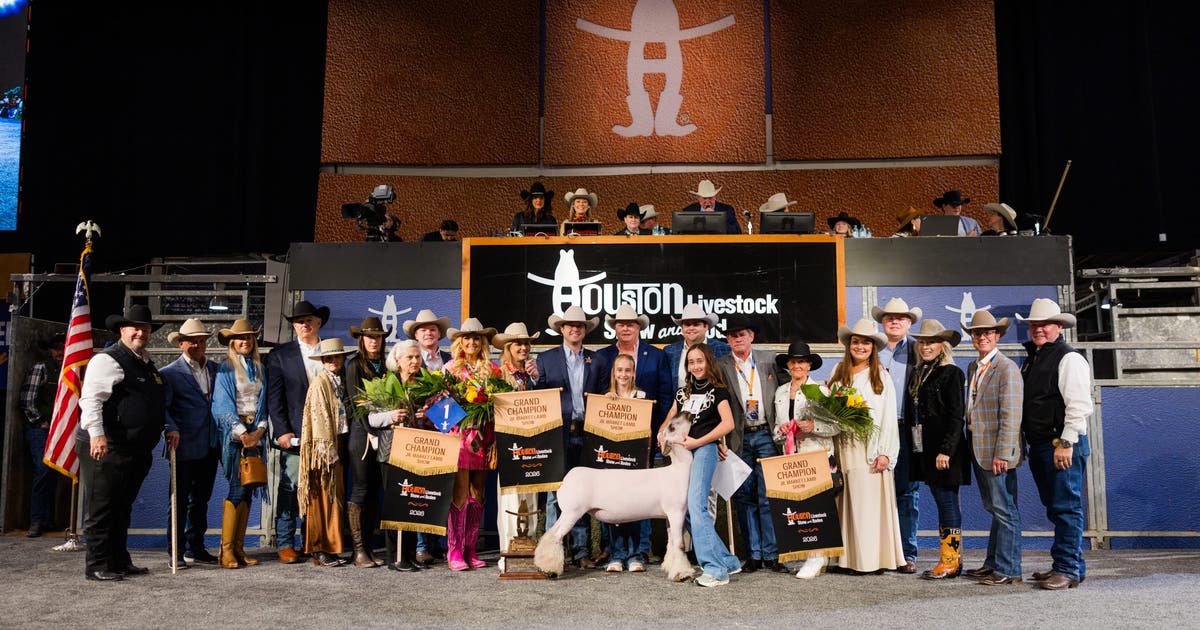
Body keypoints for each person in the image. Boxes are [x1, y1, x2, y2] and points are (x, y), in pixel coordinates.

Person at [76, 305, 175, 582]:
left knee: (122, 506)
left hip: (135, 449)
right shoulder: (108, 360)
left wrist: (167, 426)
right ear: (122, 330)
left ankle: (118, 560)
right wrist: (97, 434)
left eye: (145, 328)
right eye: (135, 327)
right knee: (102, 507)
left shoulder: (145, 362)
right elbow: (91, 400)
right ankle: (96, 565)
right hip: (108, 446)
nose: (141, 332)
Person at [1016, 298, 1093, 590]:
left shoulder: (1068, 358)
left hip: (1061, 443)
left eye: (1045, 324)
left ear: (1058, 327)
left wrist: (1066, 442)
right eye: (1034, 325)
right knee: (1057, 506)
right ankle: (1071, 565)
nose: (1038, 329)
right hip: (1044, 444)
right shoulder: (1035, 358)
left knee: (1065, 507)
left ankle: (1067, 567)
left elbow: (1079, 406)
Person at [595, 304, 672, 567]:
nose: (626, 327)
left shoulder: (656, 355)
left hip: (644, 442)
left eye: (631, 323)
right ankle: (615, 552)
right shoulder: (603, 357)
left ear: (639, 327)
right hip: (612, 447)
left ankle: (640, 551)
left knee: (643, 497)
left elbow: (664, 396)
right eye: (620, 323)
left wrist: (660, 431)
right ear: (614, 327)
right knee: (613, 497)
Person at [535, 305, 610, 569]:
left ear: (585, 330)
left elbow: (601, 397)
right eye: (570, 325)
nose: (574, 329)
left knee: (585, 494)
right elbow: (538, 398)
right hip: (558, 434)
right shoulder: (544, 360)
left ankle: (580, 552)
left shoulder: (597, 360)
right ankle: (552, 553)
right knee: (556, 494)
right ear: (562, 329)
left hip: (587, 433)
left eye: (579, 326)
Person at [660, 343, 741, 587]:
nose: (695, 366)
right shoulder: (682, 393)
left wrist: (702, 442)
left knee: (696, 506)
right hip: (682, 455)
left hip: (704, 449)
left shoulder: (719, 391)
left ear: (709, 362)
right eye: (691, 362)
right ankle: (728, 561)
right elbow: (671, 418)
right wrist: (662, 432)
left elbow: (728, 424)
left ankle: (715, 570)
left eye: (700, 361)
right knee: (686, 508)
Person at [827, 319, 904, 573]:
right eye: (856, 342)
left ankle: (869, 560)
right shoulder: (838, 372)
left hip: (867, 446)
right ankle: (846, 558)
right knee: (844, 502)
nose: (860, 347)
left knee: (865, 504)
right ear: (849, 345)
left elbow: (888, 417)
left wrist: (885, 452)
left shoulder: (880, 376)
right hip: (843, 444)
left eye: (866, 343)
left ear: (873, 347)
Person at [960, 310, 1025, 586]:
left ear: (997, 336)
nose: (982, 336)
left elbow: (1011, 414)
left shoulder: (1006, 367)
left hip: (996, 451)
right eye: (977, 333)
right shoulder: (974, 367)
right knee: (996, 508)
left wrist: (1003, 452)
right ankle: (994, 563)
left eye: (988, 332)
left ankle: (1010, 569)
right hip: (979, 446)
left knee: (1005, 509)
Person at [716, 317, 786, 574]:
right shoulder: (721, 365)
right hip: (739, 438)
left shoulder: (770, 360)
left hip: (767, 434)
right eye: (732, 335)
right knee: (744, 497)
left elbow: (789, 389)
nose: (737, 338)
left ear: (751, 337)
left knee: (768, 496)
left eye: (742, 334)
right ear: (727, 340)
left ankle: (772, 553)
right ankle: (754, 555)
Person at [266, 299, 330, 564]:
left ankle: (312, 541)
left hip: (325, 434)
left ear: (318, 323)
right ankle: (284, 542)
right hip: (294, 432)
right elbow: (274, 398)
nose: (304, 324)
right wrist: (281, 430)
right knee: (291, 487)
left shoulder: (330, 352)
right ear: (294, 326)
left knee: (321, 489)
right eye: (299, 321)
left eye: (309, 320)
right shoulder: (280, 355)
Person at [906, 319, 968, 580]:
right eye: (922, 342)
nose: (925, 346)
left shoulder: (952, 373)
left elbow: (956, 416)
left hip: (945, 451)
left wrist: (946, 450)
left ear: (943, 345)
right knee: (943, 501)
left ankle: (950, 560)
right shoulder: (921, 372)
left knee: (947, 502)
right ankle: (952, 559)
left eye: (931, 342)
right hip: (927, 449)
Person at [771, 341, 839, 579]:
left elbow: (836, 426)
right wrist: (780, 432)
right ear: (787, 365)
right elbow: (775, 428)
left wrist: (814, 426)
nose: (797, 365)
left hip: (815, 453)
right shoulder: (780, 392)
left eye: (801, 361)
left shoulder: (820, 390)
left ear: (809, 365)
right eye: (793, 361)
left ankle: (818, 555)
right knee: (799, 507)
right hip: (790, 456)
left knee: (816, 506)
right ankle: (811, 553)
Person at [160, 319, 221, 569]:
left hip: (210, 445)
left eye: (201, 340)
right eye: (192, 341)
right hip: (183, 446)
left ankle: (196, 546)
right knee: (179, 500)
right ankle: (175, 551)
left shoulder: (217, 370)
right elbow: (162, 410)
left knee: (202, 499)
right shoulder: (169, 374)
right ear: (181, 343)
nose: (197, 344)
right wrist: (170, 427)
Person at [442, 317, 501, 571]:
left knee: (479, 492)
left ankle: (471, 548)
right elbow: (438, 404)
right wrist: (458, 422)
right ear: (459, 342)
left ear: (483, 341)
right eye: (467, 338)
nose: (472, 342)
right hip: (460, 435)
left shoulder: (493, 370)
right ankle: (454, 551)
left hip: (485, 436)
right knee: (460, 492)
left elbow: (500, 403)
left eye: (476, 338)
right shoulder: (450, 369)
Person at [369, 340, 432, 572]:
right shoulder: (385, 383)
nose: (415, 361)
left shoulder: (427, 383)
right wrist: (391, 415)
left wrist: (428, 414)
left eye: (417, 357)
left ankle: (409, 553)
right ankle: (395, 557)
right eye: (409, 358)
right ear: (397, 361)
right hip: (392, 449)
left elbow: (442, 415)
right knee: (396, 503)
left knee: (413, 502)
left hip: (418, 450)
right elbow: (371, 419)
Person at [211, 319, 269, 570]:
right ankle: (225, 552)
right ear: (232, 342)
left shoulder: (259, 368)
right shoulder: (225, 369)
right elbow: (221, 405)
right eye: (240, 338)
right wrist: (242, 433)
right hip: (235, 437)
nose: (244, 341)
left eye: (248, 337)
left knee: (247, 490)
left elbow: (263, 404)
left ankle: (239, 547)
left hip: (254, 435)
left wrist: (259, 431)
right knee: (237, 488)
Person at [873, 297, 922, 573]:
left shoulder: (919, 349)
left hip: (905, 426)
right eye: (890, 317)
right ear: (883, 321)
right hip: (874, 429)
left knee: (907, 492)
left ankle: (907, 552)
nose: (895, 321)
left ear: (909, 322)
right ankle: (878, 551)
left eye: (901, 317)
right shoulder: (872, 350)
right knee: (875, 491)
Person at [299, 338, 356, 567]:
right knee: (321, 497)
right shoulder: (320, 383)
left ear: (342, 358)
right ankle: (319, 548)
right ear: (322, 361)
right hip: (323, 448)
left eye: (336, 357)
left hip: (338, 442)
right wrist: (326, 451)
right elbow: (318, 419)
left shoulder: (339, 382)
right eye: (328, 358)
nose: (333, 361)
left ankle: (331, 547)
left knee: (334, 498)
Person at [401, 308, 451, 563]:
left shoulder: (452, 360)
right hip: (418, 433)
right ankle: (421, 545)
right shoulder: (409, 361)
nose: (428, 332)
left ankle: (441, 543)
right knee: (420, 489)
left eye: (432, 328)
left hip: (447, 430)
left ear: (439, 333)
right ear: (416, 335)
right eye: (423, 329)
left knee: (443, 488)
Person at [491, 322, 542, 571]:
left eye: (526, 344)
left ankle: (529, 547)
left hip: (532, 443)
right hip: (509, 442)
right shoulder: (498, 374)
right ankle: (508, 551)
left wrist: (536, 379)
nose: (523, 348)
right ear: (508, 347)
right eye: (518, 344)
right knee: (510, 499)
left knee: (531, 497)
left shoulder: (534, 373)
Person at [343, 316, 393, 568]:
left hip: (384, 433)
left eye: (378, 337)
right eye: (369, 337)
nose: (374, 341)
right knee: (361, 489)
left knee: (375, 491)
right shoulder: (353, 365)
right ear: (362, 339)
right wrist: (370, 429)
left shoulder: (386, 365)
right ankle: (358, 550)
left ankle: (370, 547)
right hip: (363, 434)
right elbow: (355, 404)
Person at [601, 353, 649, 572]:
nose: (623, 374)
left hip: (634, 461)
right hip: (611, 462)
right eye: (619, 370)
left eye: (627, 370)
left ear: (633, 372)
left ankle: (635, 555)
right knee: (614, 510)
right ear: (614, 372)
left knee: (636, 508)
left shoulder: (641, 396)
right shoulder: (604, 398)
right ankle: (616, 555)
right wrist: (607, 404)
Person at [19, 332, 64, 538]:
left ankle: (46, 519)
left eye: (63, 347)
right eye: (56, 348)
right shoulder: (41, 368)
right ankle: (37, 520)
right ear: (49, 350)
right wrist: (40, 421)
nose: (60, 352)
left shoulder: (69, 370)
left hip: (57, 429)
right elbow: (27, 400)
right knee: (43, 470)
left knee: (53, 472)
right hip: (41, 430)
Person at [663, 302, 731, 390]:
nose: (691, 328)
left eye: (696, 324)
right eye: (687, 324)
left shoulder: (723, 349)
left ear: (706, 326)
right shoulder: (669, 351)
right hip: (678, 402)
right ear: (682, 328)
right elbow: (664, 386)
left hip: (714, 402)